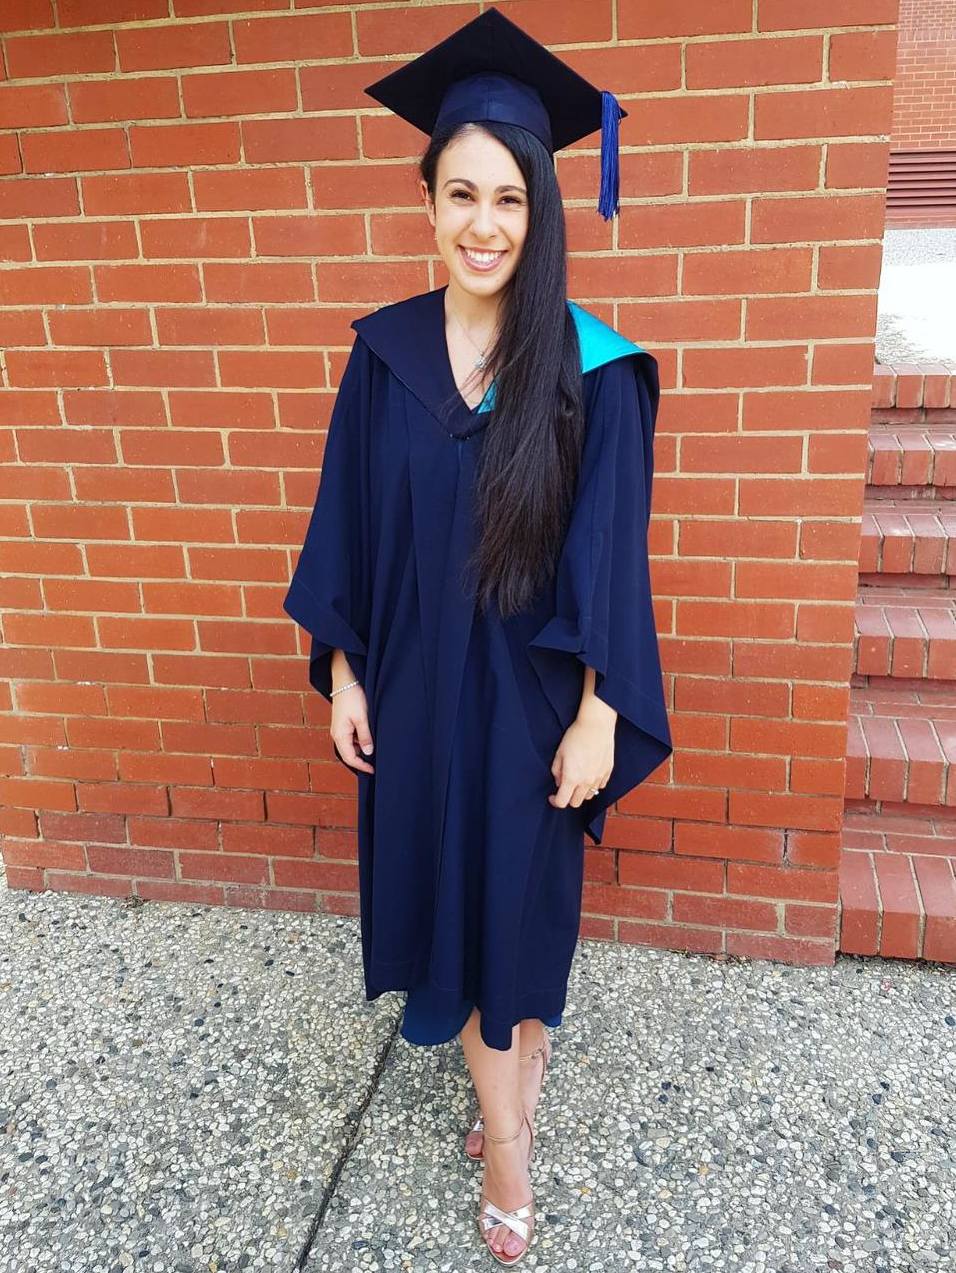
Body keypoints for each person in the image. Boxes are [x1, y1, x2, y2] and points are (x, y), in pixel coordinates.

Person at [283, 8, 672, 1264]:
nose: (484, 224)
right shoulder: (384, 357)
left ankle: (506, 1136)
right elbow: (346, 520)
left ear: (541, 209)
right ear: (429, 201)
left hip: (525, 705)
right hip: (413, 695)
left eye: (509, 197)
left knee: (515, 911)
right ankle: (511, 1111)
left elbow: (612, 555)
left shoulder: (590, 371)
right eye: (461, 193)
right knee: (460, 913)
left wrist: (602, 710)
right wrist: (345, 669)